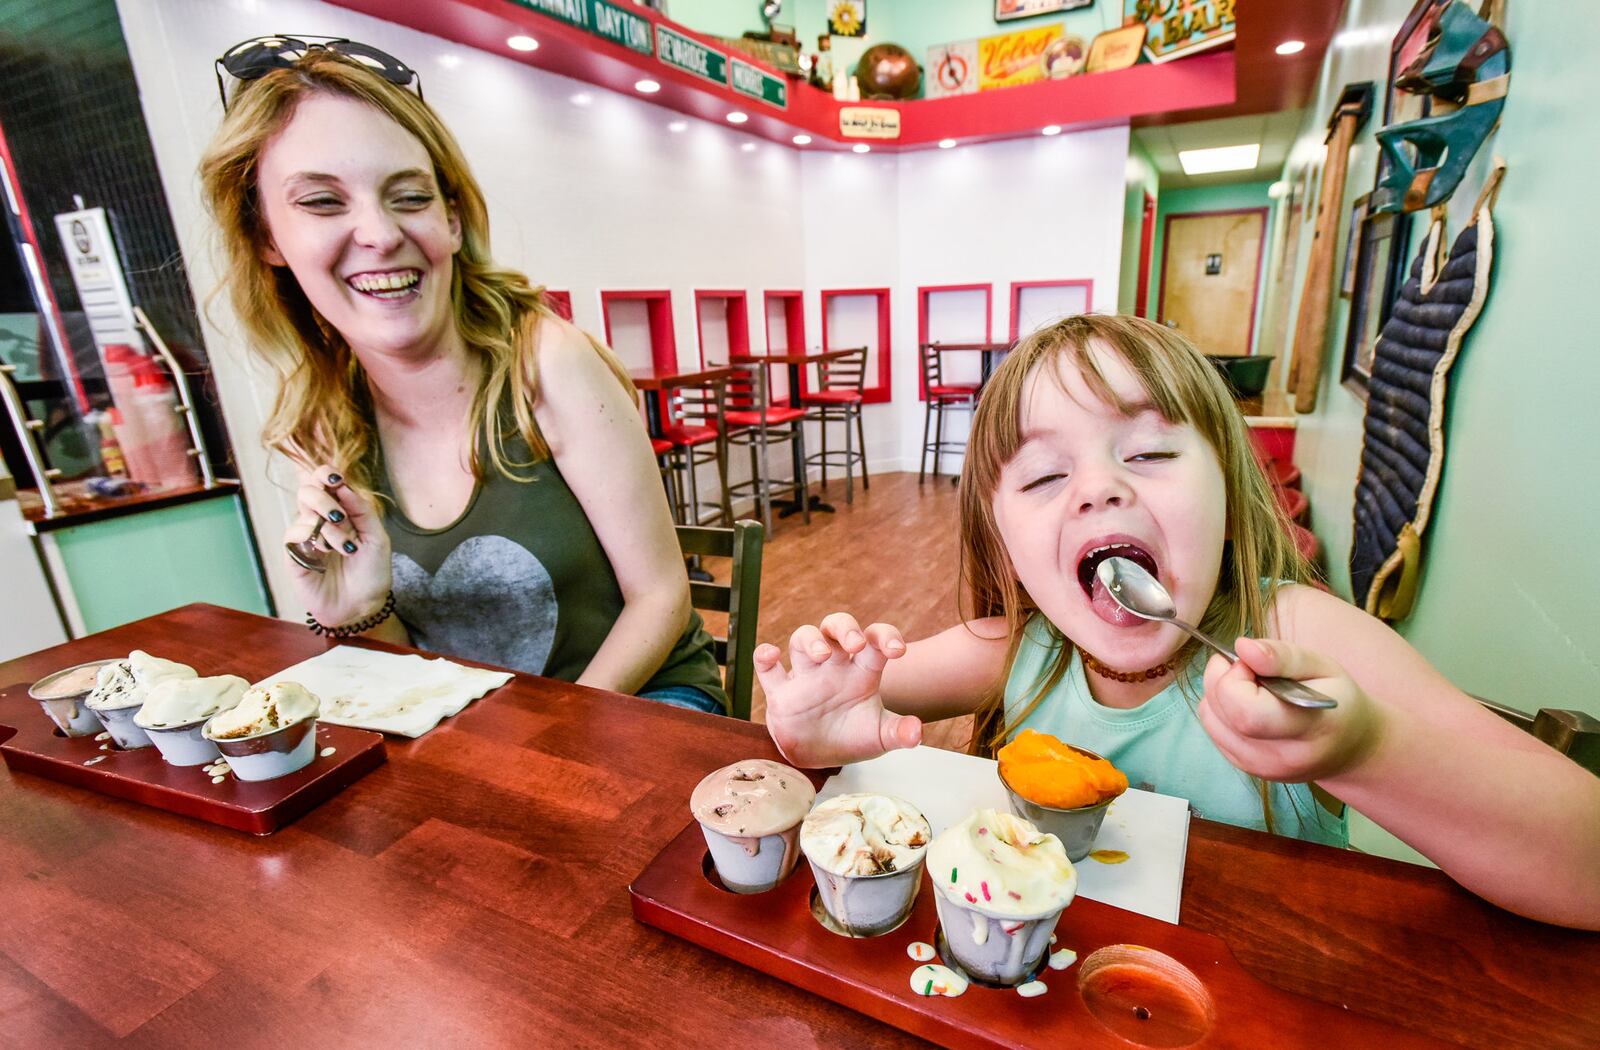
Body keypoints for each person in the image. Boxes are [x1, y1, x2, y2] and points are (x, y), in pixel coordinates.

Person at [756, 313, 1600, 929]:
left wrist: (1368, 750)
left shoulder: (1298, 631)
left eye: (1151, 454)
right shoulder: (1017, 648)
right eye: (1046, 478)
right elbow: (837, 723)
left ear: (1230, 496)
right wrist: (815, 729)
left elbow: (1584, 863)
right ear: (1005, 542)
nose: (1097, 488)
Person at [199, 37, 725, 713]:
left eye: (408, 196)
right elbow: (405, 677)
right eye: (324, 202)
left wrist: (539, 743)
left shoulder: (547, 360)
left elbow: (660, 596)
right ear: (267, 236)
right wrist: (355, 612)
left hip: (641, 699)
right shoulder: (325, 419)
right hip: (470, 730)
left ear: (450, 219)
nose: (380, 234)